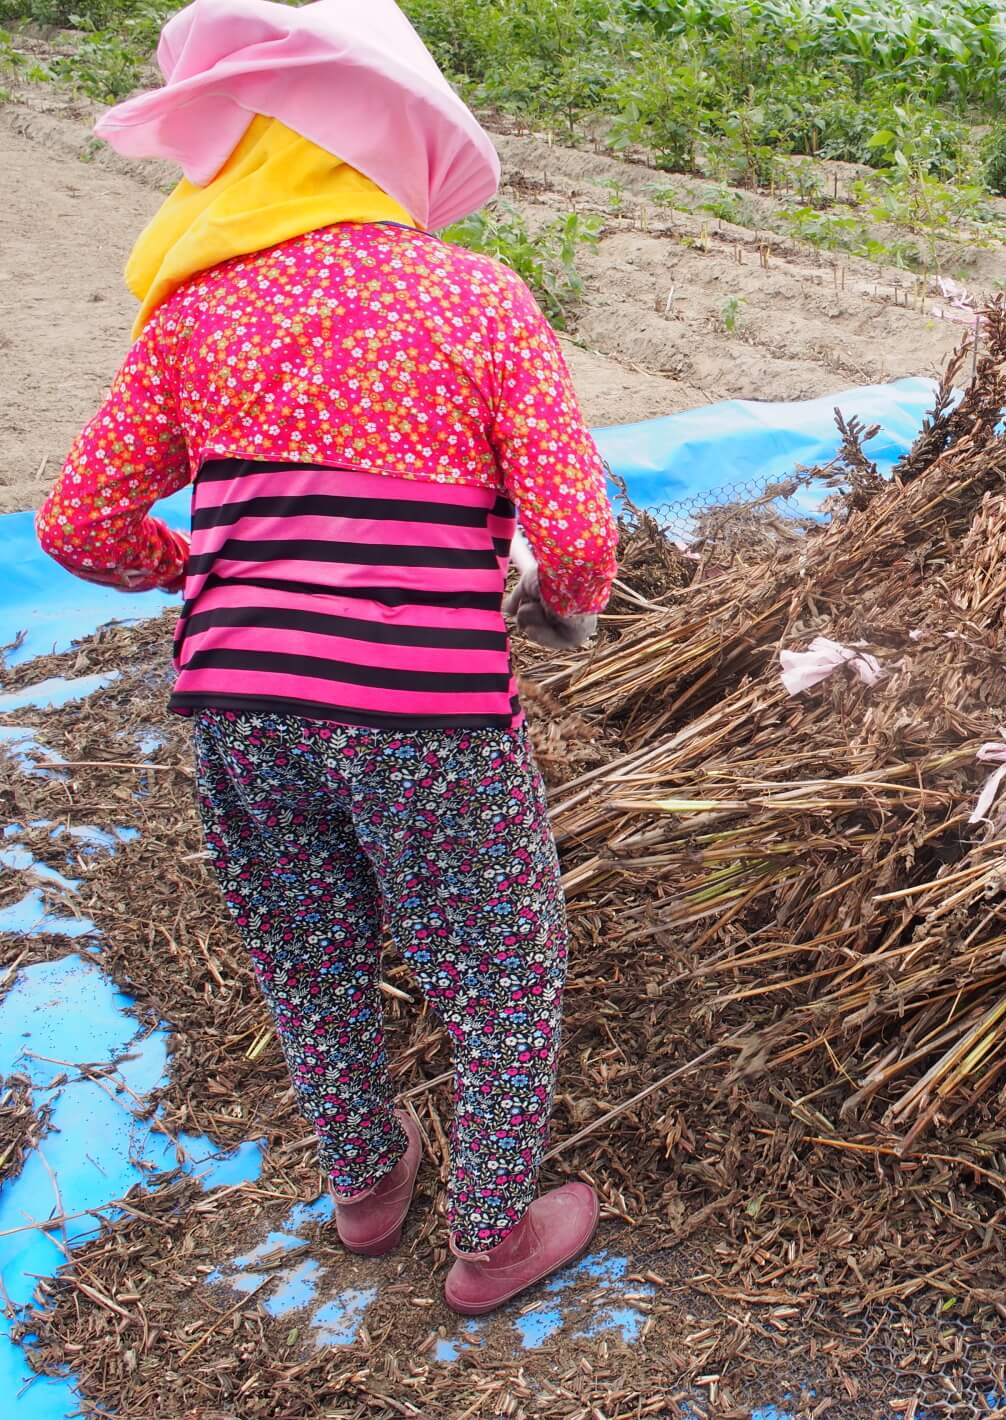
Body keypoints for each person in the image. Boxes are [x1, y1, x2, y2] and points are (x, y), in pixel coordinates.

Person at [33, 0, 619, 1314]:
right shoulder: (480, 299)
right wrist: (562, 600)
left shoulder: (199, 313)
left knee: (306, 946)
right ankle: (492, 1239)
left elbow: (75, 523)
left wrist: (199, 573)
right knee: (496, 964)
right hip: (426, 711)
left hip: (241, 702)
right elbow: (577, 539)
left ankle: (366, 1185)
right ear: (391, 149)